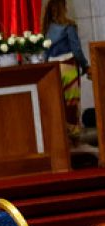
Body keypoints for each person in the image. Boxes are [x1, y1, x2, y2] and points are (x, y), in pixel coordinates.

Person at [43, 0, 89, 142]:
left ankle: (61, 143)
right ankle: (75, 142)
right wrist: (85, 65)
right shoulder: (68, 26)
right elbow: (76, 50)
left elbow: (45, 54)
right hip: (68, 68)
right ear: (63, 8)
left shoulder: (47, 29)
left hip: (51, 71)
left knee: (58, 106)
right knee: (71, 105)